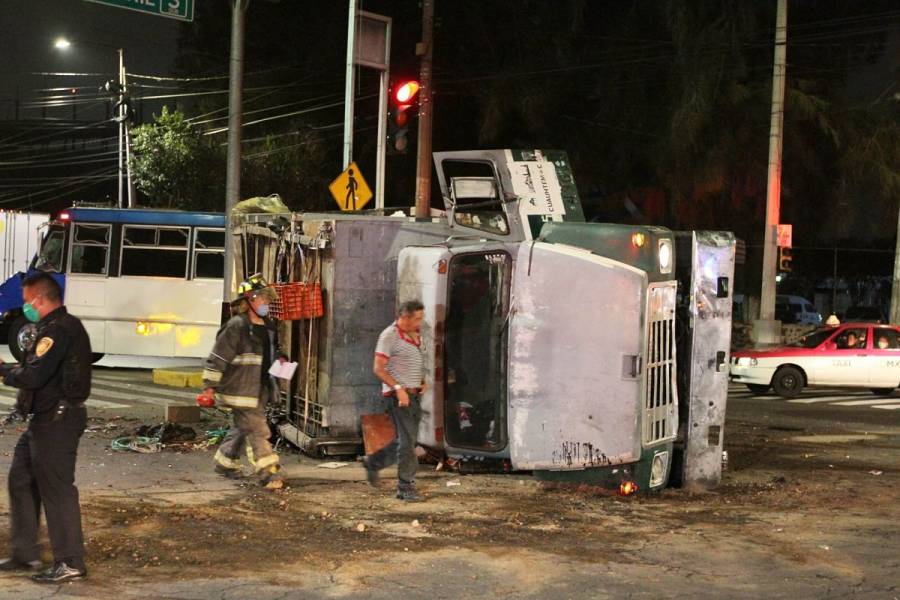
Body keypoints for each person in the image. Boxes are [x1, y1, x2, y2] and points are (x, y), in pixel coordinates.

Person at [0, 272, 92, 583]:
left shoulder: (60, 329)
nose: (25, 307)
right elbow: (34, 370)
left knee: (57, 490)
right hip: (43, 419)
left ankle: (70, 562)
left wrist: (3, 372)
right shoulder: (49, 328)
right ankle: (25, 554)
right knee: (21, 480)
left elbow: (34, 375)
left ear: (40, 299)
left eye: (27, 302)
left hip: (58, 421)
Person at [200, 274, 285, 490]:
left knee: (242, 428)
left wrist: (281, 361)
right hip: (240, 389)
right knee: (258, 430)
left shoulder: (268, 327)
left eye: (268, 298)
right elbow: (218, 357)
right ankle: (268, 473)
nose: (267, 302)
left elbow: (271, 355)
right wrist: (209, 388)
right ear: (249, 300)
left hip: (261, 388)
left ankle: (225, 463)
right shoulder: (236, 326)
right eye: (263, 298)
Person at [364, 300, 428, 502]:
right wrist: (399, 389)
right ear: (405, 317)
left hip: (413, 394)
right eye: (417, 318)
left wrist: (421, 381)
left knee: (406, 440)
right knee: (408, 443)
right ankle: (405, 487)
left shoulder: (415, 335)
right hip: (398, 397)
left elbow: (412, 362)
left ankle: (373, 462)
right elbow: (378, 368)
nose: (420, 321)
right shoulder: (389, 336)